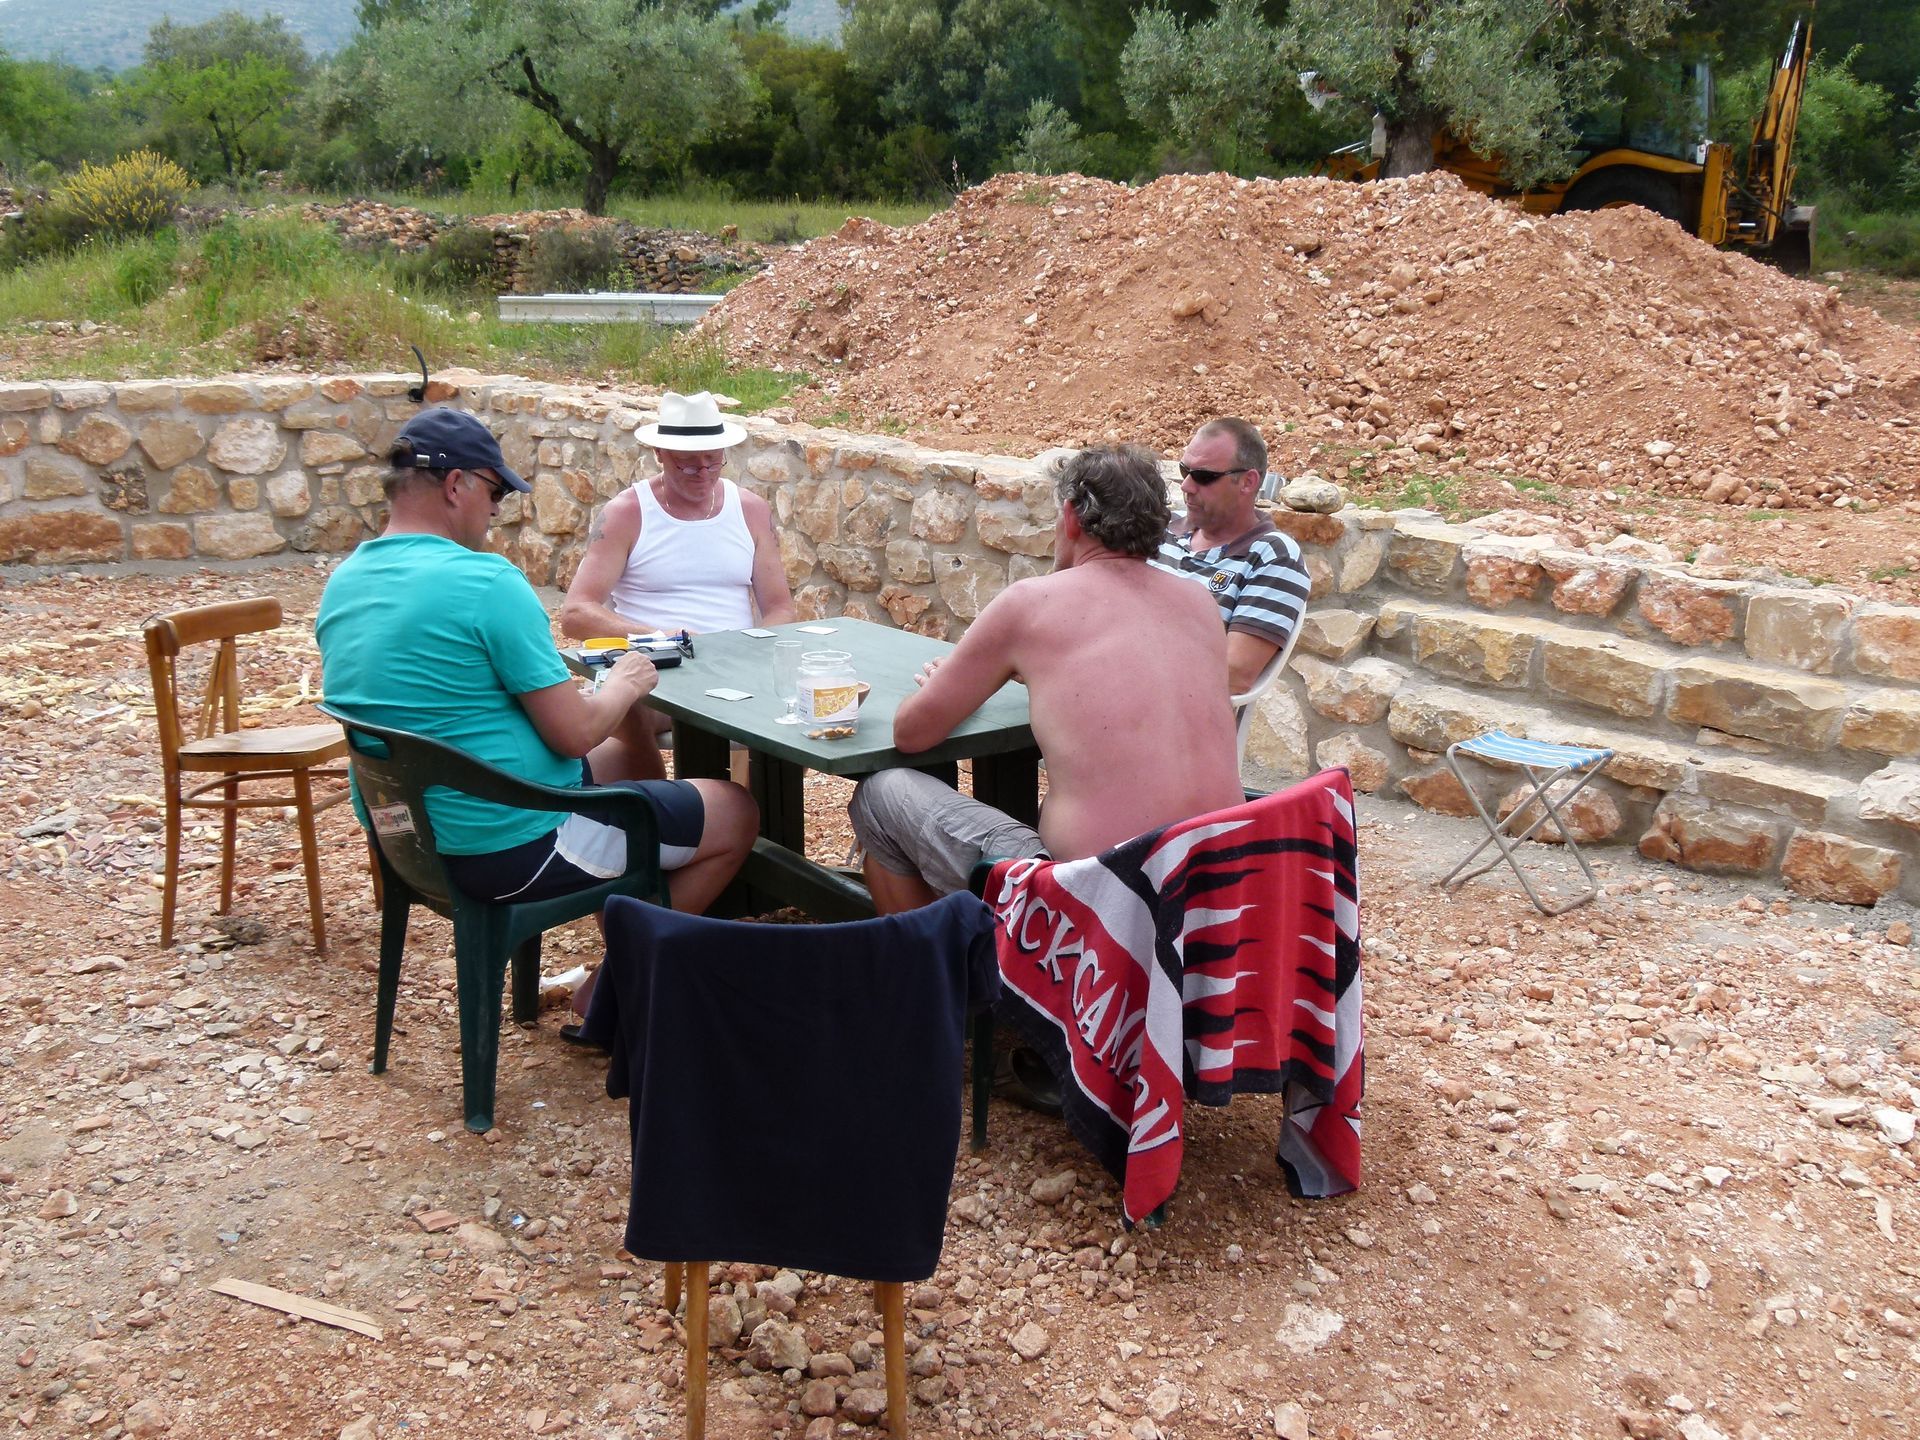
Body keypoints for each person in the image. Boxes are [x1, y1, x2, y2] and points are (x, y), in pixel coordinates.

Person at [315, 407, 757, 932]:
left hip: (408, 841)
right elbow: (575, 735)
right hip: (510, 842)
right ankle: (618, 976)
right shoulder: (485, 582)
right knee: (736, 808)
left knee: (624, 755)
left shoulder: (346, 580)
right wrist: (624, 683)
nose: (497, 513)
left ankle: (633, 904)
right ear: (457, 485)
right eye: (496, 493)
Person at [849, 444, 1245, 915]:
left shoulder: (1032, 604)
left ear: (1071, 516)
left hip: (1096, 898)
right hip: (1218, 881)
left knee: (879, 795)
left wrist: (970, 687)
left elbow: (911, 733)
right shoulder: (1199, 601)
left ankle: (949, 980)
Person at [560, 390, 796, 641]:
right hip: (652, 665)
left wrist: (752, 647)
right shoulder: (626, 514)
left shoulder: (752, 511)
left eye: (713, 461)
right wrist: (661, 637)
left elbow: (780, 609)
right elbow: (576, 615)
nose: (703, 473)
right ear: (659, 453)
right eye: (688, 463)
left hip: (734, 662)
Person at [1151, 417, 1310, 696]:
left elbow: (1234, 674)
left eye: (1203, 476)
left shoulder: (1273, 555)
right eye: (1184, 470)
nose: (1186, 485)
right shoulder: (1161, 530)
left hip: (1178, 722)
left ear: (1248, 482)